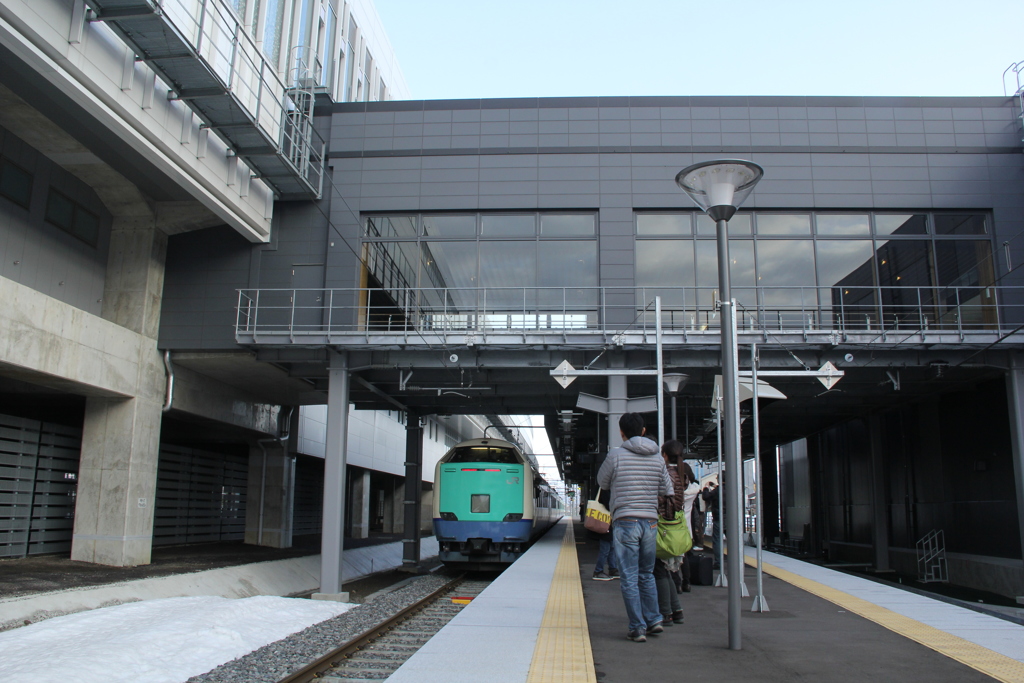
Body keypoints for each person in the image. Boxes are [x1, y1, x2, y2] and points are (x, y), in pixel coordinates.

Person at [597, 413, 672, 643]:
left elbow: (602, 482)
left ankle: (638, 627)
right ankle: (654, 620)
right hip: (650, 521)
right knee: (646, 573)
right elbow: (666, 487)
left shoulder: (616, 455)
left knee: (628, 576)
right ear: (643, 430)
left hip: (626, 519)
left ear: (621, 432)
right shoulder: (658, 457)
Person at [653, 440, 685, 626]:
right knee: (665, 571)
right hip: (675, 527)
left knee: (659, 571)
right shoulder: (682, 474)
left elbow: (660, 500)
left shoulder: (667, 474)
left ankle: (665, 613)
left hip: (663, 528)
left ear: (664, 454)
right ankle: (677, 610)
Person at [592, 489, 619, 580]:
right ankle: (598, 571)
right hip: (605, 523)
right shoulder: (606, 489)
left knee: (611, 547)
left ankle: (613, 569)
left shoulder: (608, 488)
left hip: (609, 523)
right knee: (605, 549)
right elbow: (608, 505)